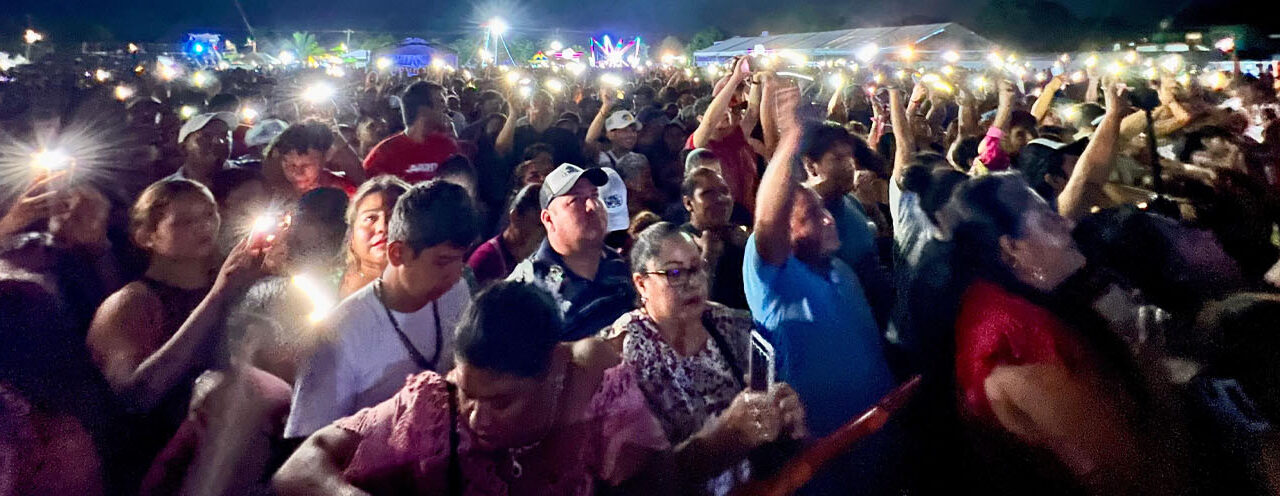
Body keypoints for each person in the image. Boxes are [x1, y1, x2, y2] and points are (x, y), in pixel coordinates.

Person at [274, 281, 675, 495]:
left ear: (552, 370)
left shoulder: (598, 398)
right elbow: (299, 467)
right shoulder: (433, 407)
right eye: (468, 393)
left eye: (502, 401)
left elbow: (658, 482)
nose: (476, 417)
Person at [946, 172, 1188, 494]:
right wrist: (1150, 360)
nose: (1068, 224)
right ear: (1011, 250)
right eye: (1047, 219)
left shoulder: (1036, 303)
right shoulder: (1020, 352)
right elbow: (1131, 475)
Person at [743, 84, 899, 494]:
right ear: (786, 231)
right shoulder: (776, 280)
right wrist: (791, 140)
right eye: (811, 216)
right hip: (819, 459)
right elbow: (766, 222)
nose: (827, 219)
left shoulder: (841, 271)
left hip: (876, 443)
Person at [85, 179, 267, 491]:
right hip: (154, 464)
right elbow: (136, 398)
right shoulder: (132, 303)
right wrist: (218, 296)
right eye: (184, 221)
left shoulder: (237, 285)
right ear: (146, 236)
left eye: (209, 214)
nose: (203, 226)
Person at [603, 222, 806, 494]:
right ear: (641, 284)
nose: (692, 282)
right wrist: (726, 436)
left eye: (697, 267)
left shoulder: (731, 325)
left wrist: (784, 419)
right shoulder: (621, 354)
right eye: (674, 272)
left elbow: (772, 430)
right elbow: (640, 483)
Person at [285, 180, 478, 439]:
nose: (455, 275)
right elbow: (309, 441)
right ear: (398, 253)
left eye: (460, 260)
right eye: (442, 261)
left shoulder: (456, 292)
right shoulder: (339, 333)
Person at [508, 164, 635, 341]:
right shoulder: (527, 288)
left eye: (594, 195)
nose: (592, 206)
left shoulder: (621, 266)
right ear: (549, 219)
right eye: (575, 200)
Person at [801, 122, 893, 327]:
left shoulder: (850, 201)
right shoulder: (803, 222)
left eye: (849, 157)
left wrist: (873, 209)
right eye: (837, 159)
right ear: (811, 166)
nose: (849, 166)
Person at [687, 58, 759, 215]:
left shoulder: (732, 136)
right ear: (700, 118)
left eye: (728, 110)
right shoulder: (699, 142)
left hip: (742, 210)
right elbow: (709, 122)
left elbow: (753, 113)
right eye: (721, 110)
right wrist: (735, 78)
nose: (726, 114)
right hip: (713, 213)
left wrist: (756, 80)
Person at [680, 167, 750, 309]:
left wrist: (750, 249)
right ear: (688, 203)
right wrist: (709, 255)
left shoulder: (739, 236)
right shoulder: (679, 243)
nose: (720, 199)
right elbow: (689, 302)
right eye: (708, 194)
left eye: (725, 191)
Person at [363, 82, 459, 183]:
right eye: (441, 102)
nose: (447, 109)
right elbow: (367, 187)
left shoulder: (448, 147)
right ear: (423, 110)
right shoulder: (384, 154)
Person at [337, 175, 411, 298]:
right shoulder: (321, 289)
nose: (382, 227)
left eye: (394, 216)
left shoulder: (439, 285)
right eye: (370, 218)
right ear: (352, 236)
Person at [468, 183, 544, 285]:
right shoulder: (486, 260)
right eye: (539, 225)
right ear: (515, 216)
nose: (542, 234)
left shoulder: (524, 263)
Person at [267, 120, 357, 198]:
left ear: (325, 158)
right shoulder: (272, 189)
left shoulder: (342, 192)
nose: (298, 173)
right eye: (291, 165)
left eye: (305, 165)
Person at [168, 112, 236, 188]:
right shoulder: (167, 191)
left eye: (225, 136)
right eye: (206, 136)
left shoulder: (244, 180)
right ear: (183, 148)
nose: (218, 141)